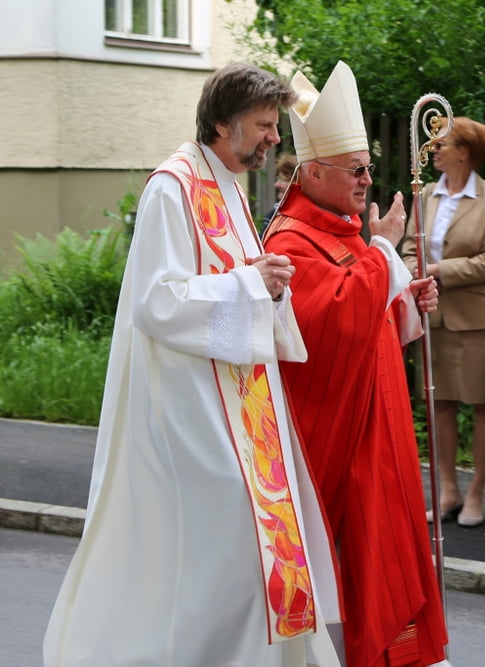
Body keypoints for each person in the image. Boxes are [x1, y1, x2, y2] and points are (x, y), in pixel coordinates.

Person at [43, 63, 341, 666]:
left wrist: (267, 287)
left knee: (254, 542)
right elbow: (158, 301)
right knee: (228, 539)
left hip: (236, 400)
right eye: (264, 125)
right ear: (223, 124)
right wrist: (250, 284)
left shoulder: (227, 183)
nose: (274, 137)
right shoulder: (172, 188)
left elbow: (234, 282)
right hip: (187, 406)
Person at [261, 63, 449, 667]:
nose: (368, 179)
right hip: (340, 442)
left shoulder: (343, 231)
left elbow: (369, 317)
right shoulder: (289, 241)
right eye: (356, 169)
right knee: (356, 562)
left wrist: (405, 301)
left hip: (379, 428)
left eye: (369, 167)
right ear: (314, 172)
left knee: (387, 547)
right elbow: (334, 324)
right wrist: (385, 251)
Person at [401, 116, 485, 528]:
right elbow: (409, 248)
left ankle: (477, 491)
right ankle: (447, 490)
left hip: (478, 317)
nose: (433, 150)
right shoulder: (425, 196)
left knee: (483, 404)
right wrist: (413, 271)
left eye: (441, 144)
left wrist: (436, 270)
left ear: (464, 151)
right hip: (434, 314)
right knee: (440, 404)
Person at [262, 152, 299, 231]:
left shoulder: (310, 218)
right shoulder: (272, 216)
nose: (277, 185)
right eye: (278, 179)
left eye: (284, 180)